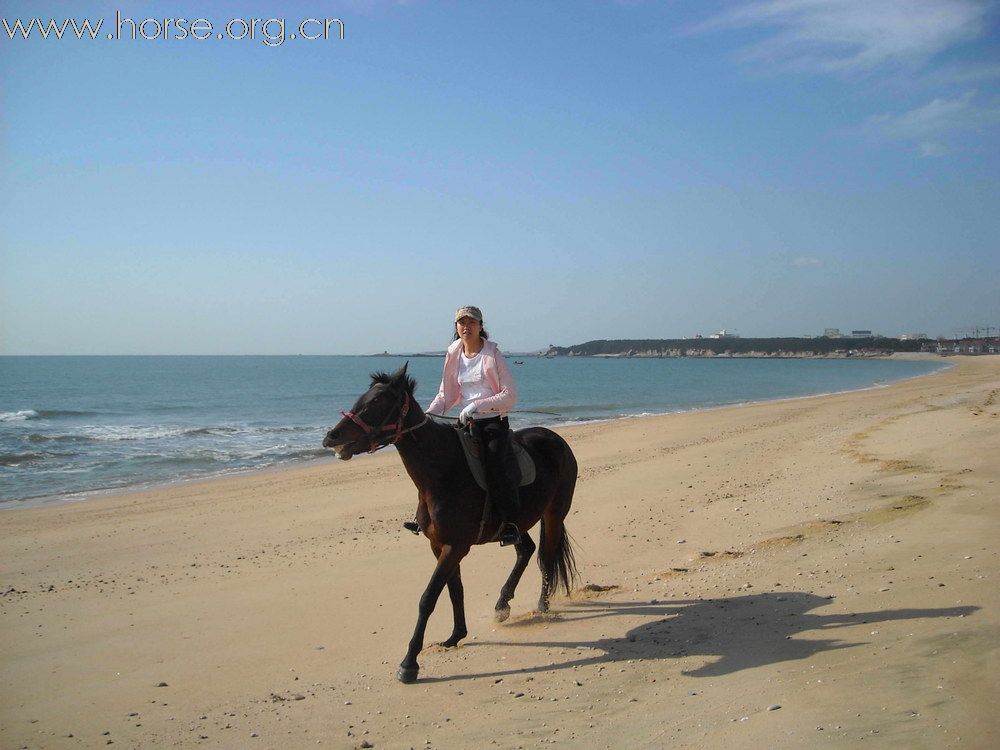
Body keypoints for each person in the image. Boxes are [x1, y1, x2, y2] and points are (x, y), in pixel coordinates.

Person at [404, 305, 521, 546]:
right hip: (465, 423)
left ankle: (510, 524)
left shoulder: (492, 354)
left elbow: (510, 395)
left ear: (480, 326)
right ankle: (424, 516)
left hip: (492, 423)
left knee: (495, 467)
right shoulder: (453, 353)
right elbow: (446, 395)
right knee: (434, 464)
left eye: (471, 322)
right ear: (456, 328)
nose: (466, 327)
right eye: (461, 323)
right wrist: (429, 416)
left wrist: (477, 406)